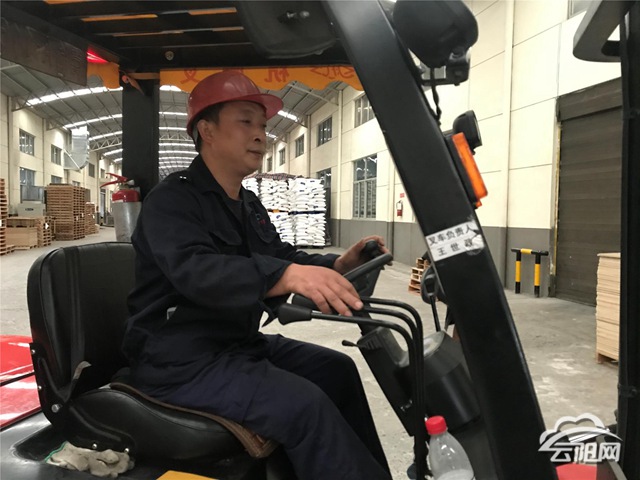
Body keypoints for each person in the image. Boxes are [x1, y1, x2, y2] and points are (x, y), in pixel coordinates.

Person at [122, 70, 392, 480]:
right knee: (304, 406)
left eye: (262, 126)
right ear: (206, 131)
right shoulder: (172, 200)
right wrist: (285, 275)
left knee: (338, 370)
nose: (259, 135)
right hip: (180, 359)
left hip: (236, 346)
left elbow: (280, 256)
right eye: (245, 122)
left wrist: (337, 266)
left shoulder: (247, 203)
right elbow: (198, 272)